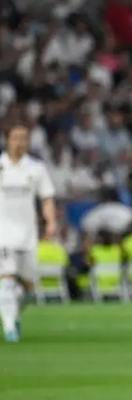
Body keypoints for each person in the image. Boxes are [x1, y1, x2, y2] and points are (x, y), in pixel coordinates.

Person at [0, 125, 57, 342]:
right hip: (3, 234)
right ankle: (9, 328)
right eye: (15, 138)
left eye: (24, 138)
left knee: (28, 288)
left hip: (28, 235)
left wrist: (51, 222)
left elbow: (47, 198)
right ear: (7, 140)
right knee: (6, 280)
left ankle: (12, 313)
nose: (19, 142)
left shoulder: (36, 168)